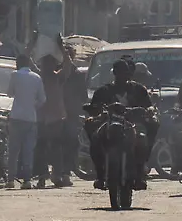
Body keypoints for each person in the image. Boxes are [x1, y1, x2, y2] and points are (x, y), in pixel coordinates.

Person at [87, 59, 158, 190]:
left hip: (132, 125)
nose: (123, 76)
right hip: (109, 124)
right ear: (114, 73)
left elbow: (149, 106)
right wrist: (96, 114)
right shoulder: (103, 91)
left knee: (143, 138)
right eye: (119, 72)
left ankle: (140, 173)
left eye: (125, 72)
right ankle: (100, 175)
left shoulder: (139, 89)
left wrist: (149, 111)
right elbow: (93, 108)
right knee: (95, 138)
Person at [7, 55, 45, 189]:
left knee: (13, 150)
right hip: (31, 119)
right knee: (28, 151)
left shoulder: (15, 75)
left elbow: (9, 93)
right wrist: (33, 106)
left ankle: (10, 180)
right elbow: (42, 99)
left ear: (18, 63)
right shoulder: (37, 77)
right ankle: (27, 180)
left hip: (16, 117)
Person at [35, 53, 71, 188]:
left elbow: (68, 65)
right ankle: (42, 176)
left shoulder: (58, 77)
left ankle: (57, 175)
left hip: (55, 118)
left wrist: (62, 49)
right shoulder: (37, 77)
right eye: (46, 64)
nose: (47, 67)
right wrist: (32, 45)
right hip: (41, 117)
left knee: (55, 148)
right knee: (41, 148)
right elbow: (26, 60)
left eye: (50, 64)